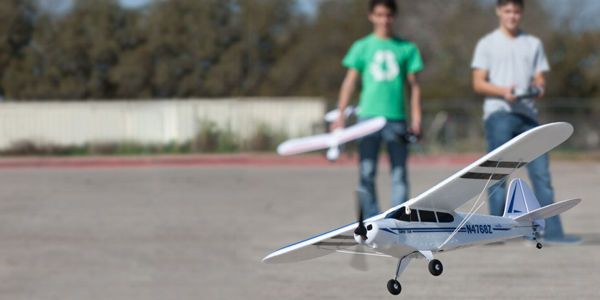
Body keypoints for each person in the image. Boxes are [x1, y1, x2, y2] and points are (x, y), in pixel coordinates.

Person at [471, 0, 579, 243]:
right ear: (499, 11)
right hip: (499, 114)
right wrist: (502, 91)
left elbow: (540, 78)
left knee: (541, 175)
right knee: (497, 176)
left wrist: (538, 88)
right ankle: (495, 235)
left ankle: (554, 233)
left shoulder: (533, 44)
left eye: (516, 11)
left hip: (529, 117)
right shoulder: (487, 44)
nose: (512, 16)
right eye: (507, 11)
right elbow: (478, 82)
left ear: (521, 13)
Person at [331, 0, 423, 218]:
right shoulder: (361, 47)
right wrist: (340, 115)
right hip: (367, 119)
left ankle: (398, 220)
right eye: (380, 15)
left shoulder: (407, 49)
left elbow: (415, 87)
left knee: (399, 173)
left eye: (388, 15)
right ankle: (370, 221)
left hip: (397, 119)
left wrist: (417, 120)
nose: (384, 20)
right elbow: (349, 83)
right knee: (366, 172)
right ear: (371, 16)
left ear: (394, 17)